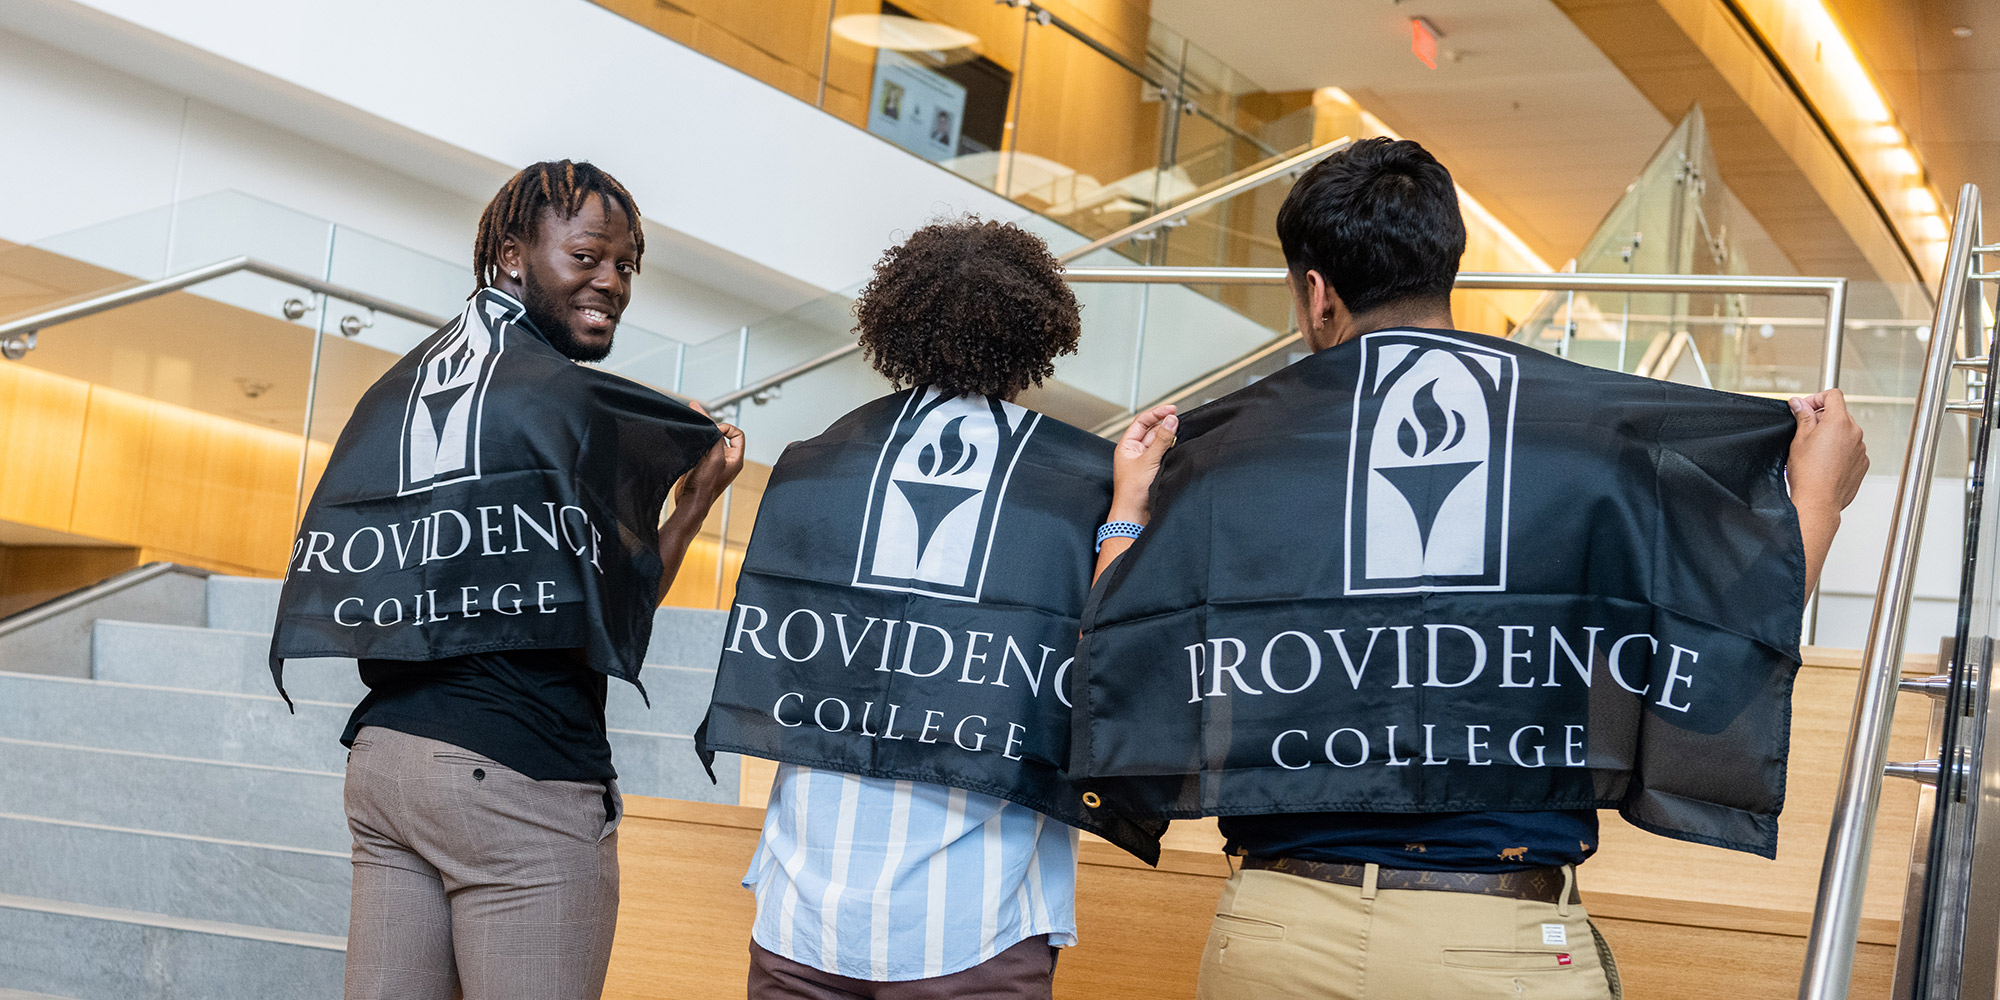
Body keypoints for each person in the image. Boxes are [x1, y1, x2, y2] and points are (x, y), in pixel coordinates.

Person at [1087, 137, 1869, 999]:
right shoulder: (1595, 444)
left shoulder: (1229, 456)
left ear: (1317, 292)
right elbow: (1720, 654)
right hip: (1504, 941)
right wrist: (1816, 498)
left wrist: (1128, 509)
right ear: (1447, 263)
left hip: (1277, 931)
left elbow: (1125, 659)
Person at [269, 160, 743, 1000]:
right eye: (590, 255)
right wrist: (696, 498)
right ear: (513, 255)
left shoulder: (402, 383)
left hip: (389, 765)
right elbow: (613, 612)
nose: (613, 282)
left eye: (626, 265)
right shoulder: (562, 401)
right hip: (517, 781)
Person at [698, 218, 1158, 1000]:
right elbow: (1117, 663)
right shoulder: (1080, 490)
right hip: (977, 916)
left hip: (803, 908)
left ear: (892, 323)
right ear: (1036, 332)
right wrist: (1131, 509)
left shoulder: (809, 471)